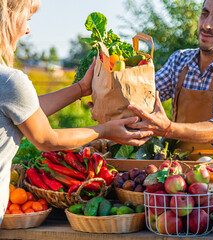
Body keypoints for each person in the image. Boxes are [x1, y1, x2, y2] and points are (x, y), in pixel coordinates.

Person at [0, 0, 152, 223]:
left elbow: (27, 111)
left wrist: (81, 89)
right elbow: (46, 139)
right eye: (28, 19)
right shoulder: (10, 80)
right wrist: (104, 130)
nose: (28, 29)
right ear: (9, 17)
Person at [128, 0, 213, 152]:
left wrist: (168, 128)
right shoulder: (179, 60)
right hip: (174, 164)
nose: (206, 25)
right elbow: (142, 97)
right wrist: (106, 98)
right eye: (204, 14)